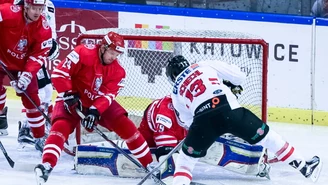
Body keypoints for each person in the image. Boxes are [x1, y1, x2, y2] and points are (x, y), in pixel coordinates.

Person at [165, 55, 323, 185]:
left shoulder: (175, 91)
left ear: (172, 76)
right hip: (231, 111)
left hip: (202, 121)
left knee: (185, 161)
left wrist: (203, 133)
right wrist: (227, 83)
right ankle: (304, 167)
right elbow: (239, 76)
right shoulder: (204, 65)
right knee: (269, 138)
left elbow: (187, 121)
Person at [34, 31, 154, 184]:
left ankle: (149, 165)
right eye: (111, 52)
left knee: (126, 126)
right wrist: (68, 93)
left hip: (96, 103)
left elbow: (107, 96)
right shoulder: (83, 52)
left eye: (117, 54)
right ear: (103, 47)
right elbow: (59, 73)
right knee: (60, 127)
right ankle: (46, 166)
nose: (113, 57)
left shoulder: (118, 72)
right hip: (72, 97)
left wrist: (95, 111)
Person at [0, 0, 52, 151]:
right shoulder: (8, 11)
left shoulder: (44, 28)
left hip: (22, 66)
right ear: (26, 6)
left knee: (33, 101)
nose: (37, 12)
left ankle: (39, 136)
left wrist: (27, 75)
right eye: (34, 8)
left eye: (40, 8)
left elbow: (38, 55)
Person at [14, 0, 58, 147]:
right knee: (36, 92)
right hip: (19, 55)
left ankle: (34, 127)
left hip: (35, 55)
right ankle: (26, 129)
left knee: (46, 91)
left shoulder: (49, 5)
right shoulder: (19, 3)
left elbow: (50, 32)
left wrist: (52, 46)